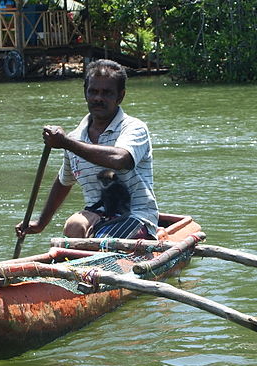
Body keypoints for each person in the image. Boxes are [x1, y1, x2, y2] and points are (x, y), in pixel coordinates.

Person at [15, 59, 159, 240]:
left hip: (135, 217)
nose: (98, 98)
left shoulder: (134, 128)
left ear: (120, 96)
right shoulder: (75, 138)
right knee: (74, 225)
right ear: (85, 93)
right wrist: (40, 223)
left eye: (107, 93)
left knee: (105, 241)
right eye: (93, 92)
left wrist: (66, 143)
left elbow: (121, 159)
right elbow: (64, 181)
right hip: (98, 216)